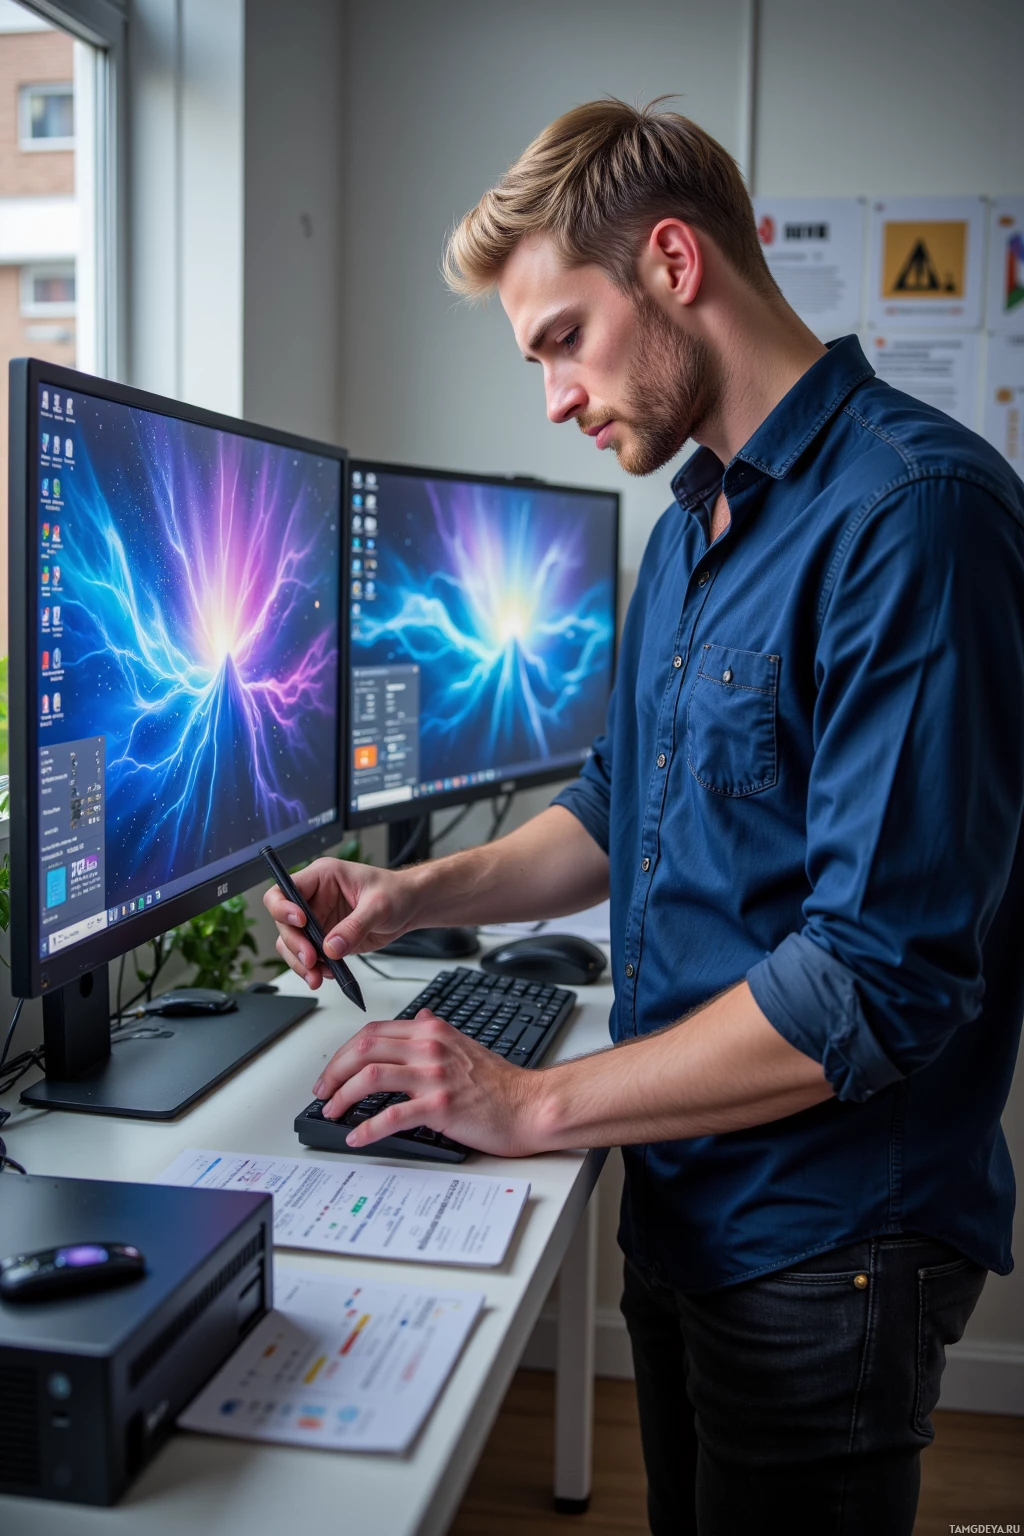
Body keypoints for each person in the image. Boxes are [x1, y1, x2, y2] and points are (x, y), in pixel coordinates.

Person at [266, 100, 1024, 1534]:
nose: (552, 396)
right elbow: (622, 809)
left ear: (674, 264)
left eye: (562, 337)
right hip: (688, 1201)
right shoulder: (688, 530)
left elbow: (874, 978)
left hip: (828, 1240)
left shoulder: (917, 519)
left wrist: (529, 1100)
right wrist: (408, 896)